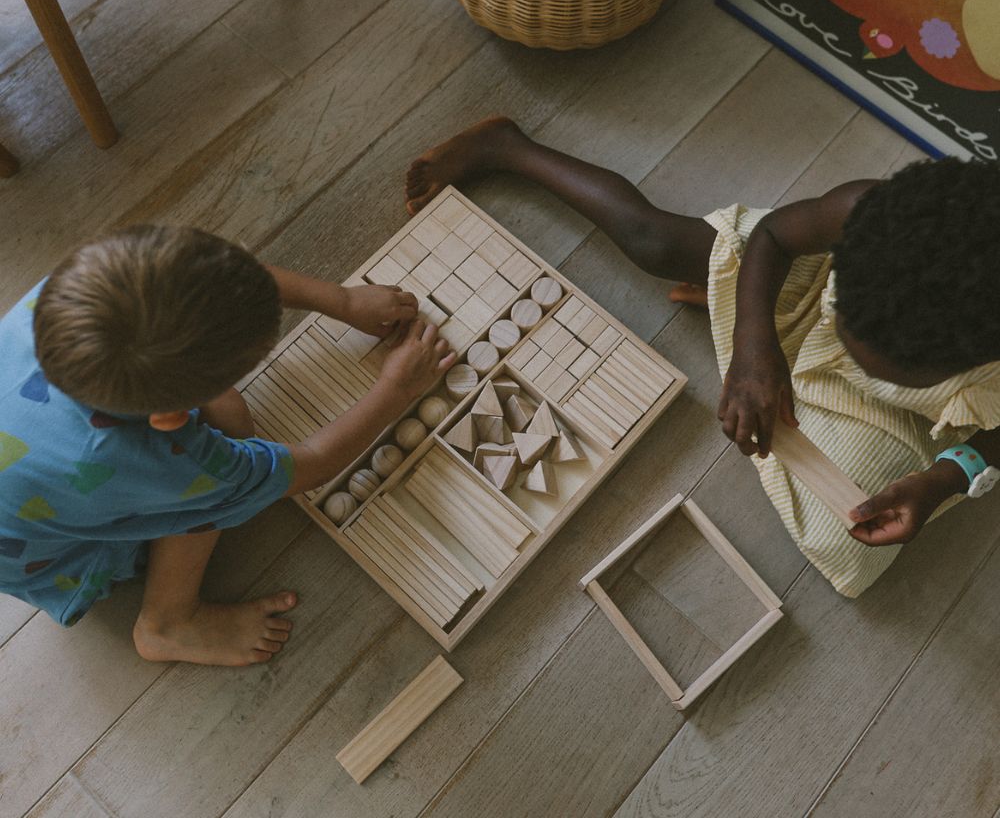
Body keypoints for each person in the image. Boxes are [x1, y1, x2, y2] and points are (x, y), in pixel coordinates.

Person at [404, 117, 1000, 596]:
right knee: (654, 240)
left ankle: (729, 300)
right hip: (809, 291)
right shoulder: (869, 212)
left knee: (847, 543)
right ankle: (508, 148)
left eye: (875, 360)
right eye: (854, 334)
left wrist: (946, 478)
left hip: (928, 411)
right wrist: (752, 348)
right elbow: (774, 237)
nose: (853, 349)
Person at [0, 226, 455, 665]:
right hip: (49, 554)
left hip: (24, 474)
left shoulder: (74, 294)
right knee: (214, 473)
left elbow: (224, 281)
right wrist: (397, 388)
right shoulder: (162, 461)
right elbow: (313, 464)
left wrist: (344, 300)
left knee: (228, 411)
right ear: (170, 418)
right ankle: (167, 623)